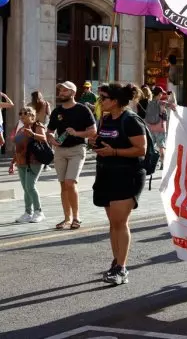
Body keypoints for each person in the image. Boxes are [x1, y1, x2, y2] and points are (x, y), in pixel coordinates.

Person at [91, 83, 147, 285]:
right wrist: (96, 144)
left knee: (120, 222)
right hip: (106, 174)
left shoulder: (130, 120)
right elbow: (104, 142)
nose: (100, 102)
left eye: (103, 98)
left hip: (127, 175)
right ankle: (116, 263)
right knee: (113, 223)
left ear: (114, 101)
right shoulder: (105, 119)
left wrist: (114, 152)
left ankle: (122, 268)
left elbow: (141, 149)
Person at [47, 82, 97, 230]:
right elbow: (49, 131)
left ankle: (76, 217)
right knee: (63, 185)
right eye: (60, 90)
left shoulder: (82, 109)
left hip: (77, 149)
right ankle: (67, 218)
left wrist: (77, 133)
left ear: (73, 93)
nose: (61, 92)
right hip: (60, 151)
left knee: (70, 183)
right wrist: (52, 139)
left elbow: (93, 131)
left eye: (64, 90)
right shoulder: (57, 111)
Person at [10, 106, 47, 223]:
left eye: (25, 113)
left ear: (32, 115)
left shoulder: (37, 126)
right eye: (20, 113)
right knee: (26, 188)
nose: (22, 115)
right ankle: (28, 213)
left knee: (30, 186)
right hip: (21, 162)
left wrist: (32, 134)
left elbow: (44, 139)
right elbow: (18, 148)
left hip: (34, 161)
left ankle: (39, 211)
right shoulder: (20, 129)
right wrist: (12, 163)